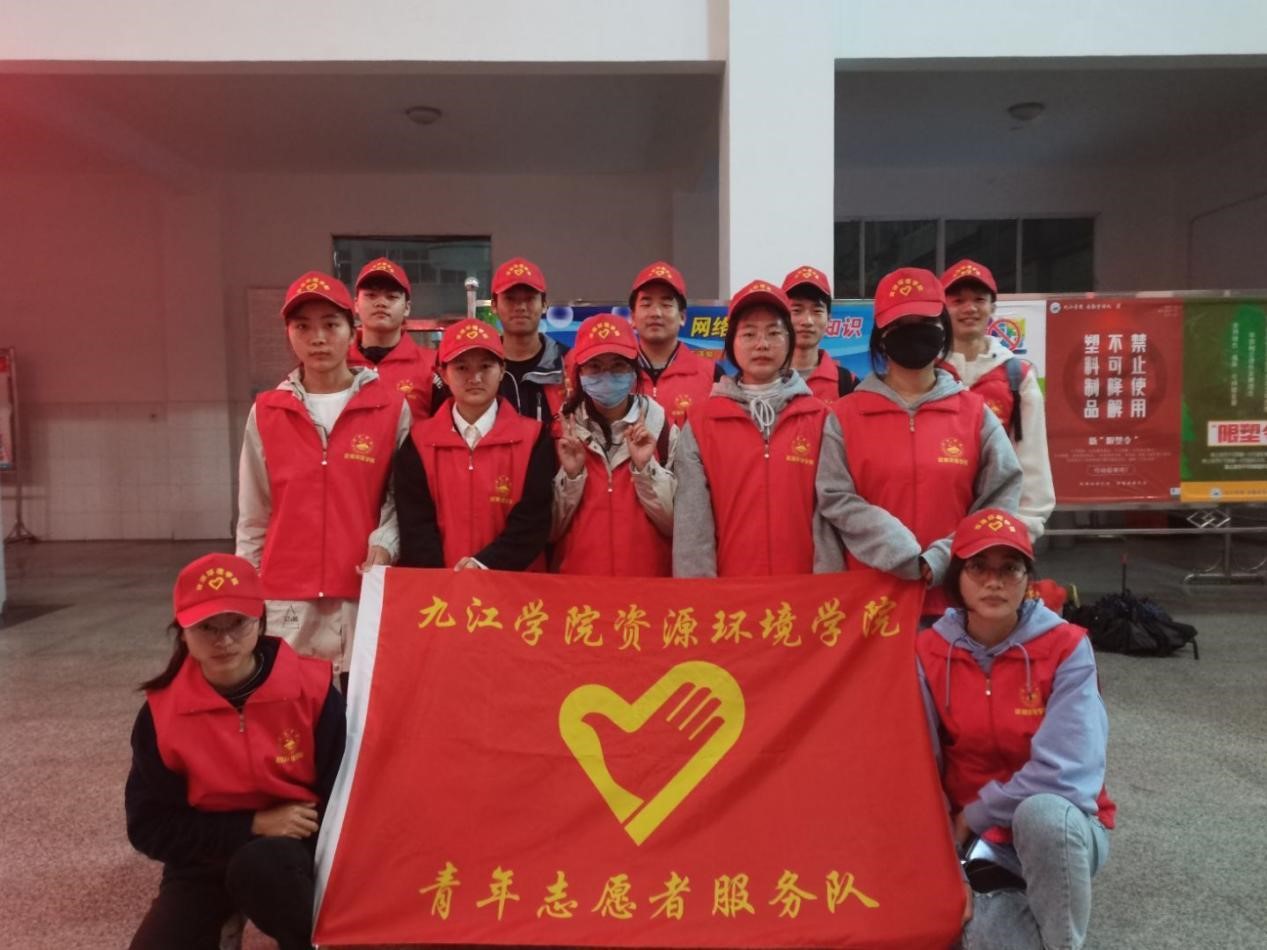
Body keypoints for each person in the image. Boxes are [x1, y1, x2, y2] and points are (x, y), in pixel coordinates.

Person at [916, 509, 1115, 950]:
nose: (994, 582)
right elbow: (920, 762)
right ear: (957, 578)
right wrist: (945, 853)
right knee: (987, 937)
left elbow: (1067, 772)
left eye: (1010, 568)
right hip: (975, 843)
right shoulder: (928, 652)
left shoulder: (1067, 646)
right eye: (978, 567)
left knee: (1042, 815)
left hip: (1059, 830)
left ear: (1027, 579)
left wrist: (975, 813)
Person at [126, 553, 346, 950]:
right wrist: (252, 825)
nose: (224, 640)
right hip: (204, 859)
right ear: (182, 632)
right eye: (206, 627)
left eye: (237, 623)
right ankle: (225, 916)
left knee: (264, 868)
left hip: (291, 854)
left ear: (260, 621)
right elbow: (149, 826)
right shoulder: (161, 714)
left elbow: (344, 797)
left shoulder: (312, 691)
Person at [817, 267, 1022, 616]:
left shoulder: (974, 414)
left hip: (956, 604)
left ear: (942, 327)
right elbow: (834, 498)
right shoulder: (844, 416)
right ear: (881, 336)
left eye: (925, 321)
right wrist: (896, 550)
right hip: (869, 605)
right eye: (900, 324)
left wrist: (945, 555)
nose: (914, 333)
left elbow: (999, 498)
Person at [236, 271, 410, 678]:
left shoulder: (390, 407)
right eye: (303, 327)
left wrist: (386, 544)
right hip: (286, 599)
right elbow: (254, 514)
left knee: (357, 706)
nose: (318, 338)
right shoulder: (267, 412)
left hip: (361, 590)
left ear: (352, 330)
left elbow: (400, 500)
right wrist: (247, 591)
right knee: (293, 707)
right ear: (288, 334)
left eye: (331, 325)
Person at [674, 280, 842, 577]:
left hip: (803, 593)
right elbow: (693, 528)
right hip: (731, 595)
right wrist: (700, 596)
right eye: (749, 333)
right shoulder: (701, 423)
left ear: (790, 340)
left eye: (774, 333)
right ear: (731, 343)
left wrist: (825, 592)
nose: (762, 344)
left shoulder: (820, 418)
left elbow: (828, 520)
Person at [394, 318, 555, 570]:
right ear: (443, 374)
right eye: (462, 367)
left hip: (516, 586)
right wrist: (444, 581)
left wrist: (484, 565)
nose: (475, 377)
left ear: (502, 370)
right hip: (441, 587)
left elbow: (533, 521)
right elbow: (415, 525)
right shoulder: (418, 442)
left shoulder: (534, 438)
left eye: (486, 366)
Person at [552, 313, 677, 576]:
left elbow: (676, 524)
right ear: (579, 372)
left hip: (647, 590)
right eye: (595, 366)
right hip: (577, 591)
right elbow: (547, 531)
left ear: (634, 371)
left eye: (618, 365)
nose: (606, 376)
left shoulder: (663, 431)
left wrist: (645, 469)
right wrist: (572, 477)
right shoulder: (559, 434)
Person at [940, 259, 1055, 541]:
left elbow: (1032, 460)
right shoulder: (926, 372)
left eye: (979, 300)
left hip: (997, 529)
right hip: (938, 524)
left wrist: (1023, 532)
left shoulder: (1017, 377)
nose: (969, 308)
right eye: (958, 301)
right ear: (942, 309)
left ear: (993, 307)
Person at [629, 260, 722, 427]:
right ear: (633, 318)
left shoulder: (712, 375)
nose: (656, 313)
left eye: (666, 305)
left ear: (682, 317)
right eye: (646, 304)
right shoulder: (616, 373)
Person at [346, 256, 437, 419]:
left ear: (407, 308)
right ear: (356, 304)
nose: (381, 303)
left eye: (392, 297)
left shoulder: (432, 365)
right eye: (371, 295)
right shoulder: (338, 363)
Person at [490, 256, 569, 424]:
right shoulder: (481, 367)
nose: (520, 307)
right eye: (510, 298)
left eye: (530, 298)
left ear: (544, 304)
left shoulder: (568, 364)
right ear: (494, 305)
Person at [782, 264, 859, 402]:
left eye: (817, 311)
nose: (807, 321)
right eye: (797, 310)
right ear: (781, 318)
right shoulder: (763, 380)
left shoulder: (848, 384)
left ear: (829, 319)